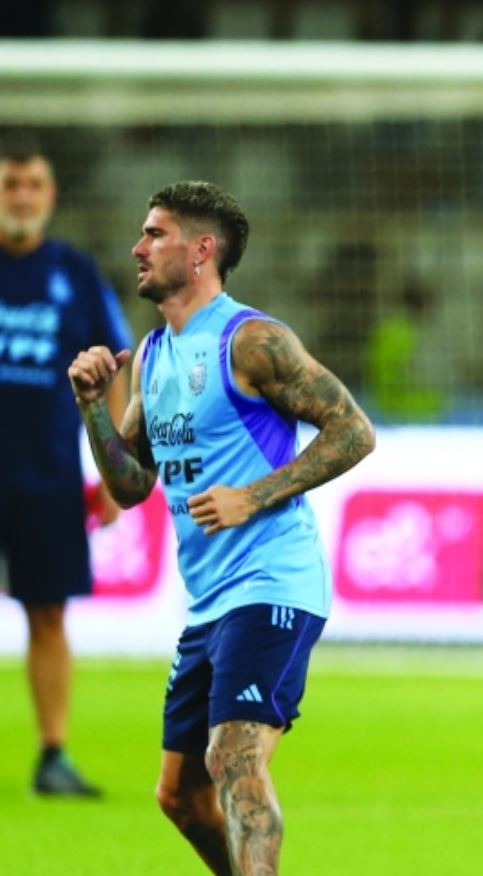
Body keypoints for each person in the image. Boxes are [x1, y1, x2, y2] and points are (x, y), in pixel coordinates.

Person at [68, 180, 375, 874]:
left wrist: (254, 497)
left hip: (273, 581)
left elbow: (354, 431)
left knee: (233, 754)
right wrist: (91, 406)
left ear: (201, 249)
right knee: (179, 797)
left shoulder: (252, 340)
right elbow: (131, 484)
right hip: (209, 601)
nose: (137, 247)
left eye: (155, 234)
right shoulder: (153, 356)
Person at [0, 138, 131, 797]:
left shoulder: (75, 273)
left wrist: (115, 465)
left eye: (33, 185)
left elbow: (115, 366)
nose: (21, 196)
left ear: (50, 195)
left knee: (48, 614)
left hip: (46, 474)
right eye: (10, 184)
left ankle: (53, 755)